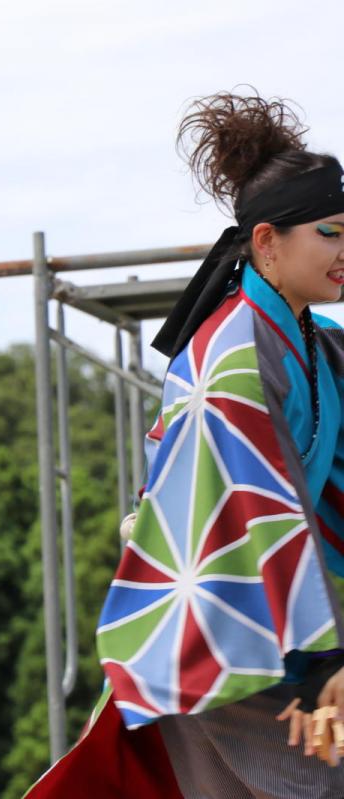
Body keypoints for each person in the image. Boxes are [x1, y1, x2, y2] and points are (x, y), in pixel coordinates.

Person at [28, 91, 344, 798]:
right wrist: (325, 657)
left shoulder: (313, 345)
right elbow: (250, 509)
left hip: (272, 621)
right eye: (330, 232)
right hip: (226, 619)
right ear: (266, 241)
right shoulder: (232, 351)